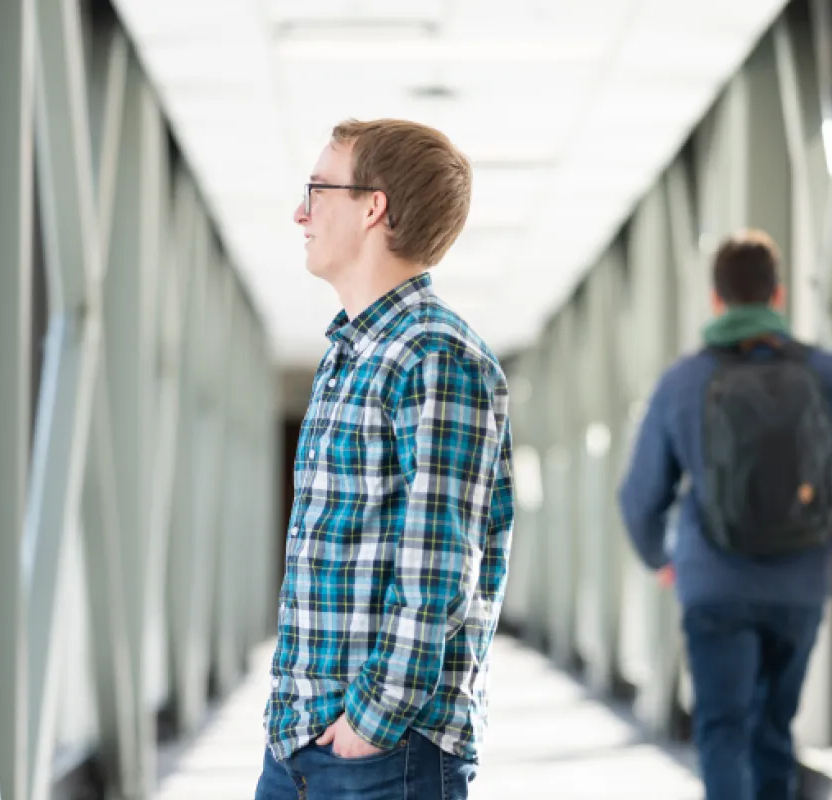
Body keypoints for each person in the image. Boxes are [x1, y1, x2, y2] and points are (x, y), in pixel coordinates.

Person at [254, 119, 515, 800]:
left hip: (381, 757)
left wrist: (370, 724)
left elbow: (438, 572)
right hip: (300, 744)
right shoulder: (348, 354)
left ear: (374, 206)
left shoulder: (436, 354)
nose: (299, 212)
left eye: (317, 189)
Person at [617, 230, 832, 799]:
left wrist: (662, 557)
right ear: (778, 297)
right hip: (798, 589)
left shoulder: (684, 382)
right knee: (773, 730)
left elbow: (639, 495)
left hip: (714, 586)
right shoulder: (829, 376)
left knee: (723, 730)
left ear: (716, 301)